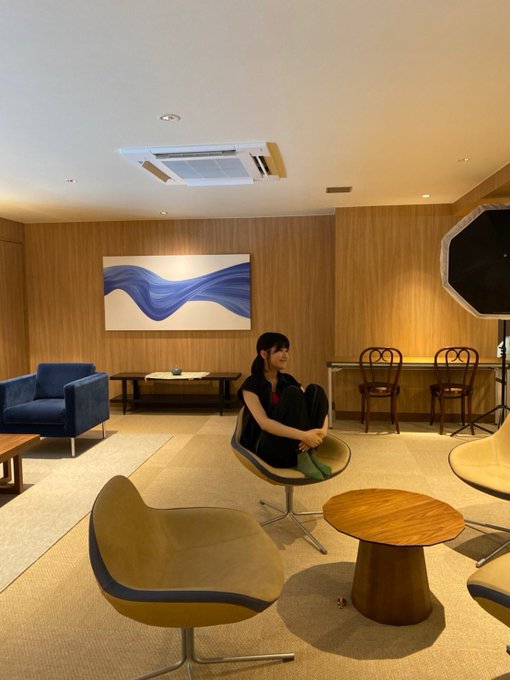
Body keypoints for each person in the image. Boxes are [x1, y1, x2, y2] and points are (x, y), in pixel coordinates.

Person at [238, 331, 330, 480]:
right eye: (279, 351)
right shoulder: (251, 385)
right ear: (263, 354)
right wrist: (304, 436)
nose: (285, 355)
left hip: (296, 444)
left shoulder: (287, 379)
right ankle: (302, 456)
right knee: (293, 393)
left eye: (286, 350)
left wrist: (323, 431)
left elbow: (315, 406)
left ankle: (309, 454)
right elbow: (264, 423)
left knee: (316, 390)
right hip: (269, 447)